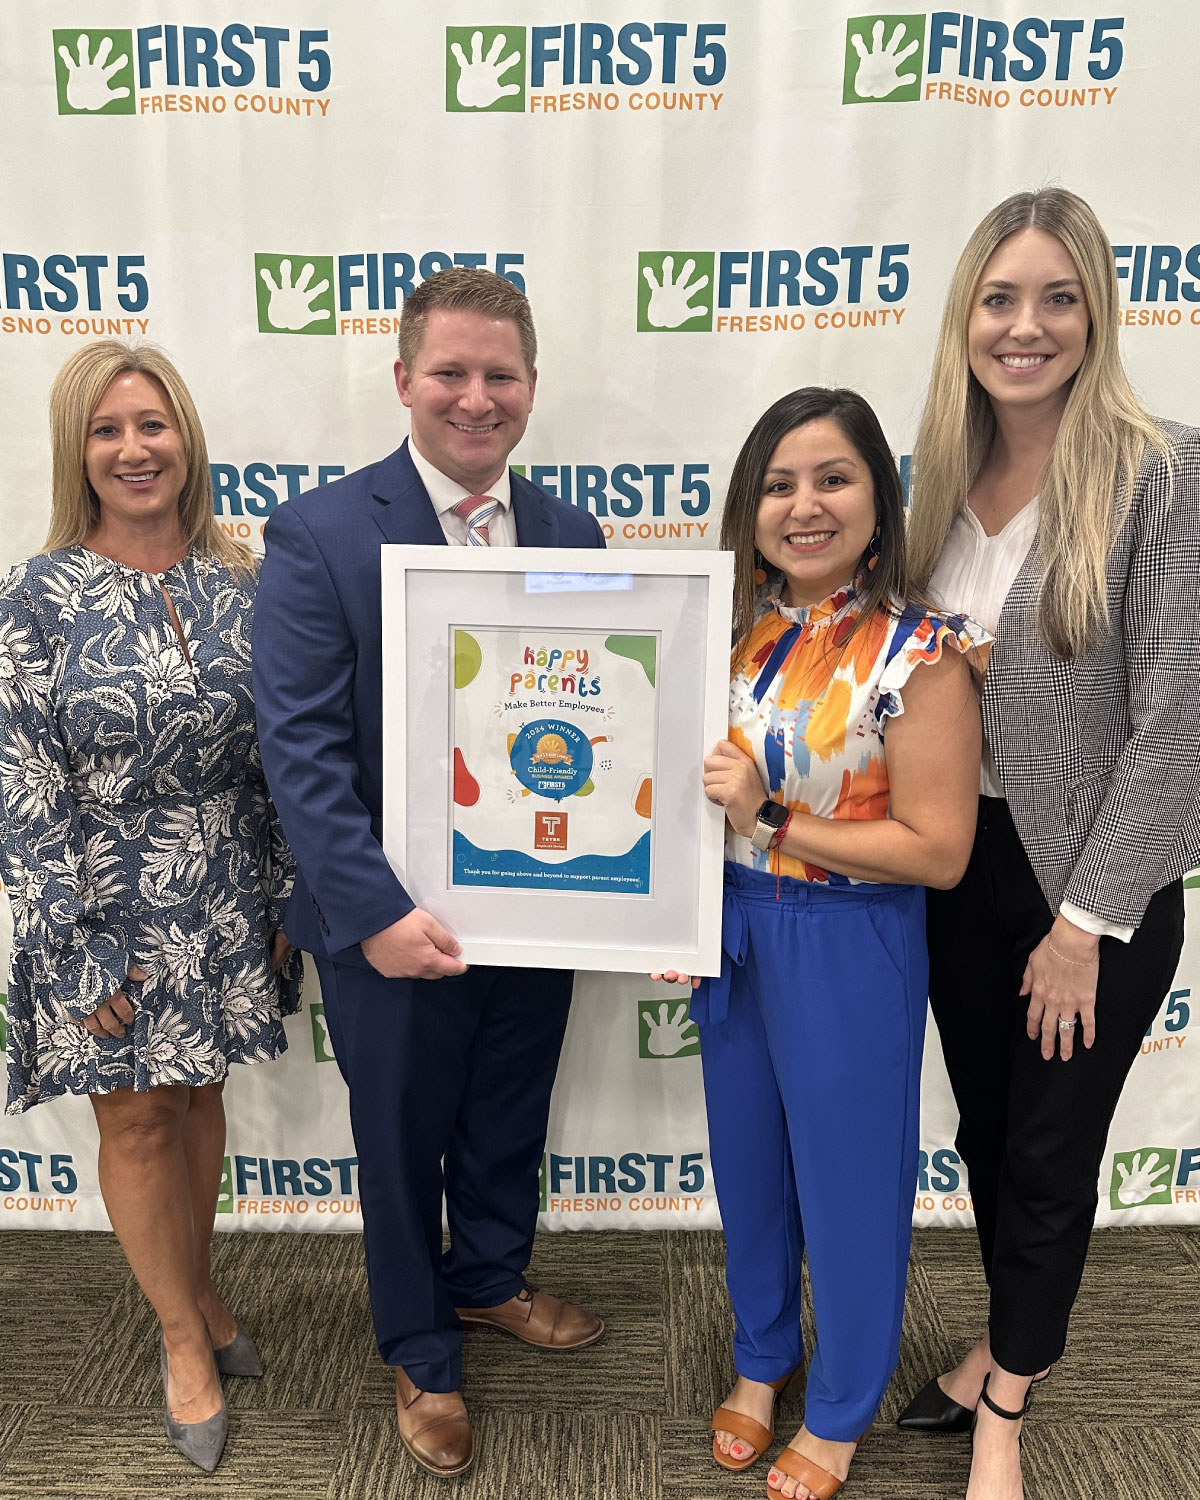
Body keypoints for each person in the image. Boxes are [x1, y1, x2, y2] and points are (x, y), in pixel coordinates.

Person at [252, 266, 606, 1481]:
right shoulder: (319, 534)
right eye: (449, 372)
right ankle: (419, 1346)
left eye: (498, 374)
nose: (475, 396)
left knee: (510, 1110)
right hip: (388, 924)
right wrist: (378, 914)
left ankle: (490, 1281)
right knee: (399, 1138)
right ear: (403, 380)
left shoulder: (573, 535)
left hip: (537, 905)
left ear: (531, 387)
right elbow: (298, 750)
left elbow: (602, 729)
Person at [895, 187, 1200, 1500]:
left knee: (1050, 1155)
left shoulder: (1162, 472)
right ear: (968, 314)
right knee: (983, 1137)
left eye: (1057, 297)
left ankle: (1007, 1407)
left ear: (1097, 314)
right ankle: (996, 1341)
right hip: (961, 871)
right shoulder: (938, 482)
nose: (1026, 326)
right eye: (1002, 297)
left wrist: (1085, 924)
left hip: (1089, 894)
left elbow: (1180, 723)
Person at [661, 387, 982, 1500]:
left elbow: (939, 850)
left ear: (878, 502)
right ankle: (763, 1360)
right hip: (736, 933)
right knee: (749, 1170)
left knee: (849, 1188)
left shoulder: (921, 649)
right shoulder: (728, 629)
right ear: (749, 506)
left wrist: (773, 819)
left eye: (832, 478)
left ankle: (841, 1406)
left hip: (851, 940)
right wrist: (674, 905)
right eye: (779, 483)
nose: (803, 505)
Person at [0, 341, 302, 1472]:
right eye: (108, 430)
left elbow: (280, 757)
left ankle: (206, 1292)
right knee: (132, 1118)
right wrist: (76, 950)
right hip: (102, 903)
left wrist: (284, 888)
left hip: (221, 887)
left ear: (187, 440)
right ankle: (182, 1337)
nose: (135, 449)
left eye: (153, 424)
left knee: (195, 1104)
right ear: (77, 451)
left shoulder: (246, 580)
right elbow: (19, 780)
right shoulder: (34, 596)